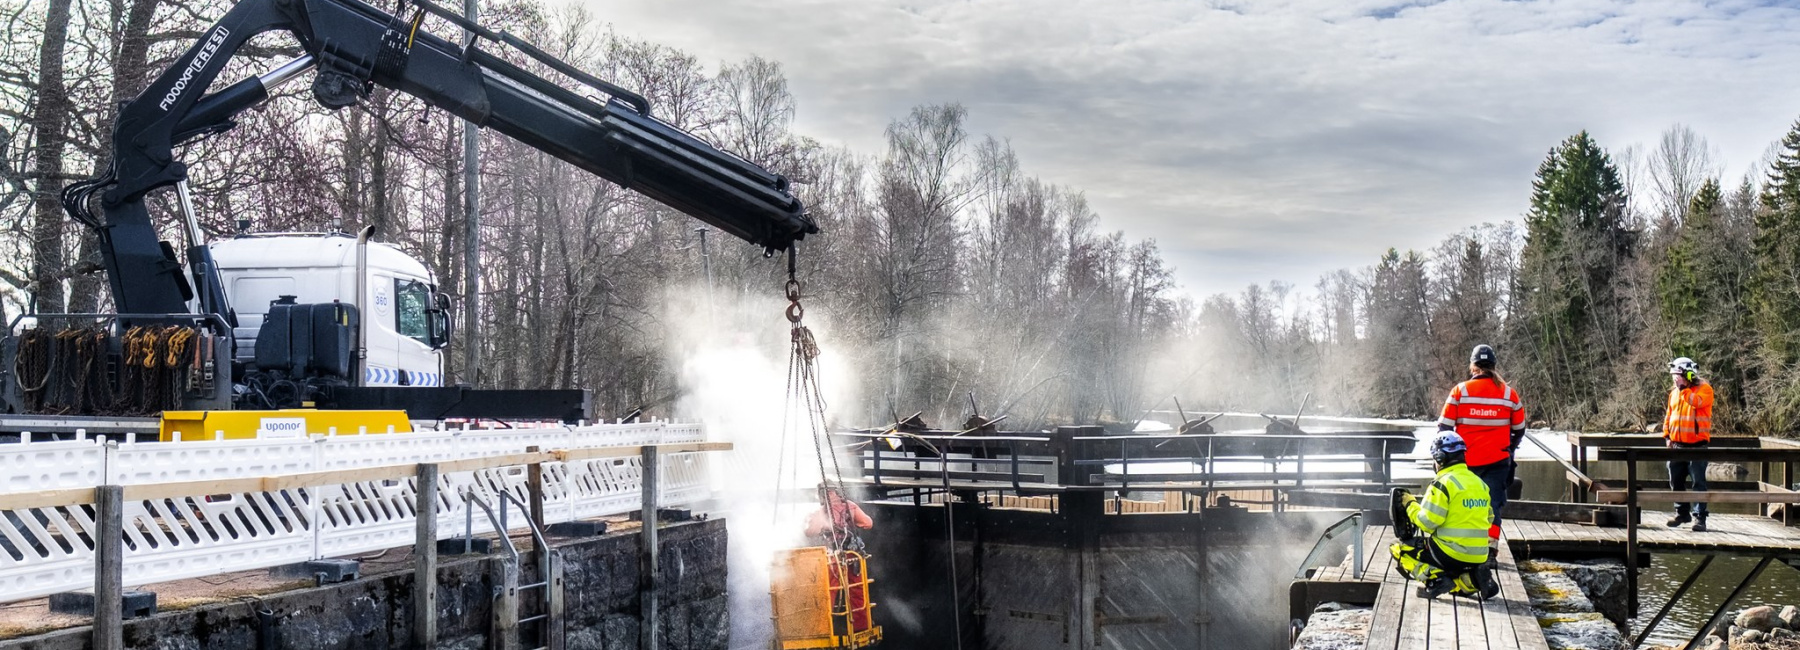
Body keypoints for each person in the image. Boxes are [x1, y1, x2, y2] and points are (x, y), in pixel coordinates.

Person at [1392, 432, 1498, 600]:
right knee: (1452, 560)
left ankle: (1437, 580)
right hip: (1479, 554)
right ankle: (1472, 579)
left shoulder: (1442, 484)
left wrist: (1409, 504)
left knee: (1400, 549)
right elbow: (1490, 517)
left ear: (1440, 459)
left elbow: (1426, 523)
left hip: (1451, 555)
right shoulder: (1479, 483)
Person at [1437, 344, 1526, 544]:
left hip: (1465, 462)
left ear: (1472, 366)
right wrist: (1510, 448)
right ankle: (1490, 549)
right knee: (1493, 505)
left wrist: (1450, 454)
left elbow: (1444, 428)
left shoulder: (1460, 391)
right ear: (1494, 365)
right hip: (1497, 461)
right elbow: (1520, 429)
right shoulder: (1509, 394)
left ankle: (1462, 545)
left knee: (1461, 502)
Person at [1663, 357, 1714, 532]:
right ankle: (1681, 513)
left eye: (1677, 375)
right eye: (1673, 376)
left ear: (1688, 375)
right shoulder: (1674, 393)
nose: (1674, 379)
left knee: (1698, 483)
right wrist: (1667, 436)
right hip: (1676, 446)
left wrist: (1685, 389)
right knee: (1675, 480)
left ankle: (1699, 517)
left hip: (1697, 446)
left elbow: (1696, 402)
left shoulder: (1704, 389)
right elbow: (1669, 416)